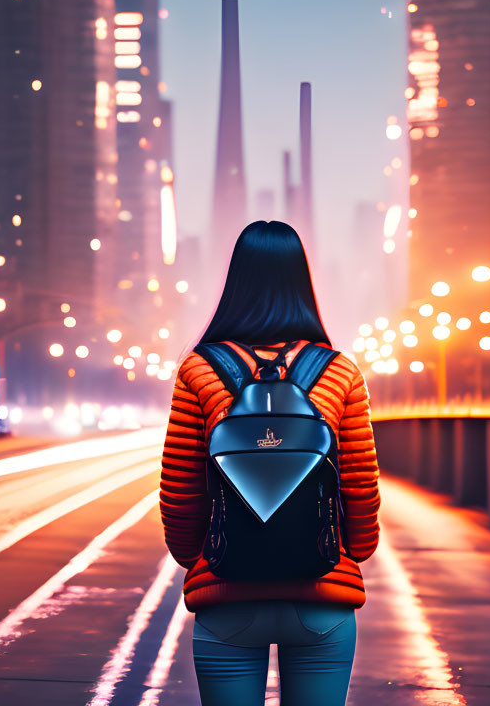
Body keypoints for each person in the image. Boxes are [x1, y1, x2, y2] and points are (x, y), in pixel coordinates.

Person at [159, 220, 381, 706]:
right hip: (323, 594)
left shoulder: (199, 370)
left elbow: (181, 492)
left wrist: (199, 558)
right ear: (301, 281)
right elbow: (360, 490)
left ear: (235, 282)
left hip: (227, 593)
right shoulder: (339, 371)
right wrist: (354, 551)